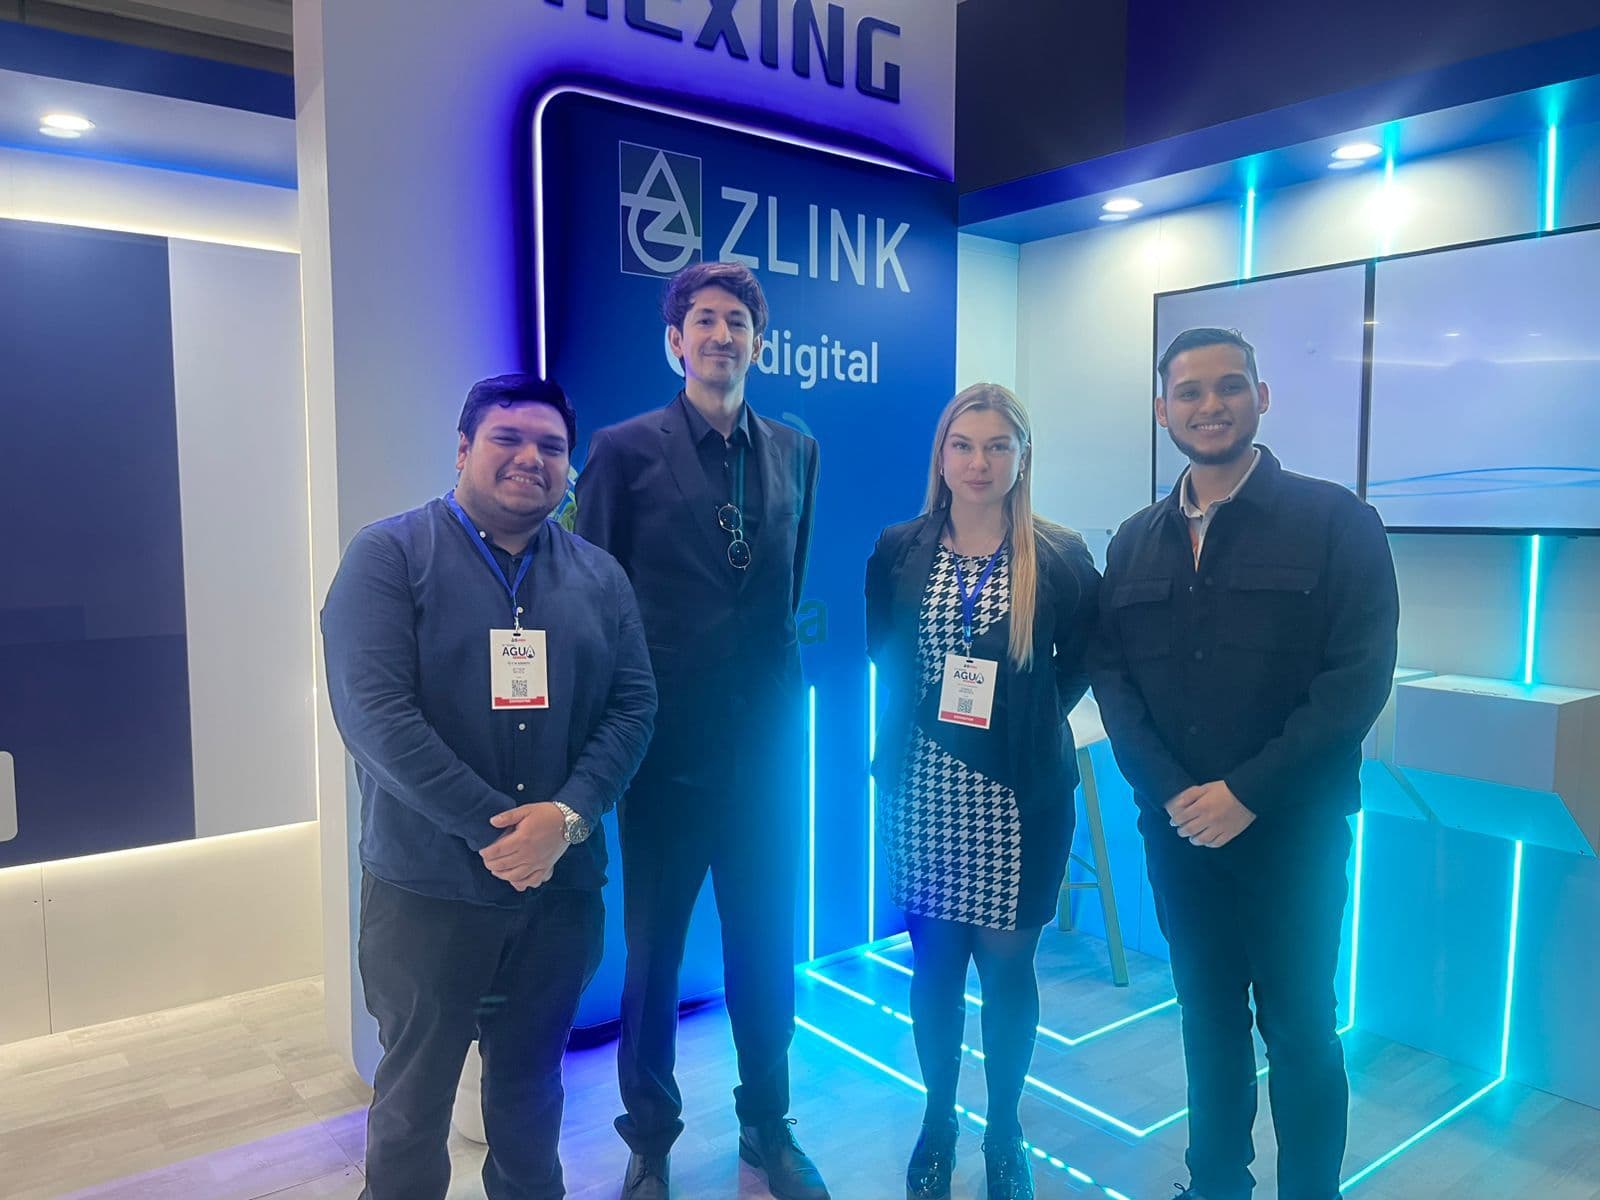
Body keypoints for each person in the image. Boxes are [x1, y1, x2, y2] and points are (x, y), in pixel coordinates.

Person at [321, 374, 657, 1200]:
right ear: (464, 448)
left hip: (559, 893)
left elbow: (634, 706)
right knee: (413, 1102)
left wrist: (567, 817)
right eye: (508, 438)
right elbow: (375, 717)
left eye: (551, 446)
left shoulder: (600, 576)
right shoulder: (388, 556)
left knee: (531, 1092)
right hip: (426, 890)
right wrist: (500, 831)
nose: (530, 458)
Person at [1090, 328, 1399, 1200]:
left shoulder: (1336, 521)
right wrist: (1173, 793)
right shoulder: (1134, 541)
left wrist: (1247, 793)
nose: (1210, 405)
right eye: (1188, 392)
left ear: (1261, 398)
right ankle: (1215, 1184)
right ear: (1163, 411)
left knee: (1300, 1031)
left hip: (1293, 834)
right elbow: (1113, 678)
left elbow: (1356, 680)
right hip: (1179, 834)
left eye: (1229, 386)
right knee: (1208, 1019)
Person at [575, 262, 826, 1200]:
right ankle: (650, 1137)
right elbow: (596, 598)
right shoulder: (622, 450)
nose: (722, 335)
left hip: (766, 750)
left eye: (738, 322)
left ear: (758, 341)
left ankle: (767, 1123)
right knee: (654, 956)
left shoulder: (796, 450)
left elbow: (785, 589)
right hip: (664, 752)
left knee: (765, 944)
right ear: (675, 340)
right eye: (705, 320)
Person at [865, 383, 1101, 1200]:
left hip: (1020, 800)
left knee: (1007, 976)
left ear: (1022, 458)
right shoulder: (899, 547)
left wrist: (1024, 723)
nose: (979, 462)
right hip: (922, 790)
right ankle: (939, 1121)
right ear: (941, 455)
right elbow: (884, 649)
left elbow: (1085, 661)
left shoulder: (1059, 554)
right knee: (934, 970)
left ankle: (1005, 1131)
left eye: (999, 445)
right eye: (964, 445)